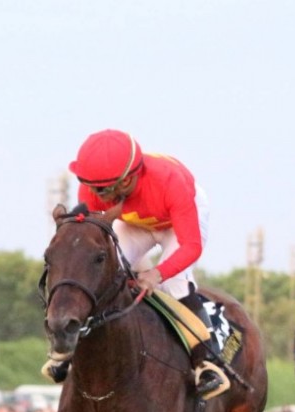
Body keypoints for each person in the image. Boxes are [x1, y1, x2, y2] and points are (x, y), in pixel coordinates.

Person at [51, 128, 228, 398]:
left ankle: (206, 362)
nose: (93, 193)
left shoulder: (170, 182)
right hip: (134, 222)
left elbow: (191, 246)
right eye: (89, 185)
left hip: (176, 222)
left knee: (174, 283)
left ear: (126, 180)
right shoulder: (92, 187)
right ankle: (70, 346)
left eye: (101, 188)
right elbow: (92, 242)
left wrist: (157, 272)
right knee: (103, 275)